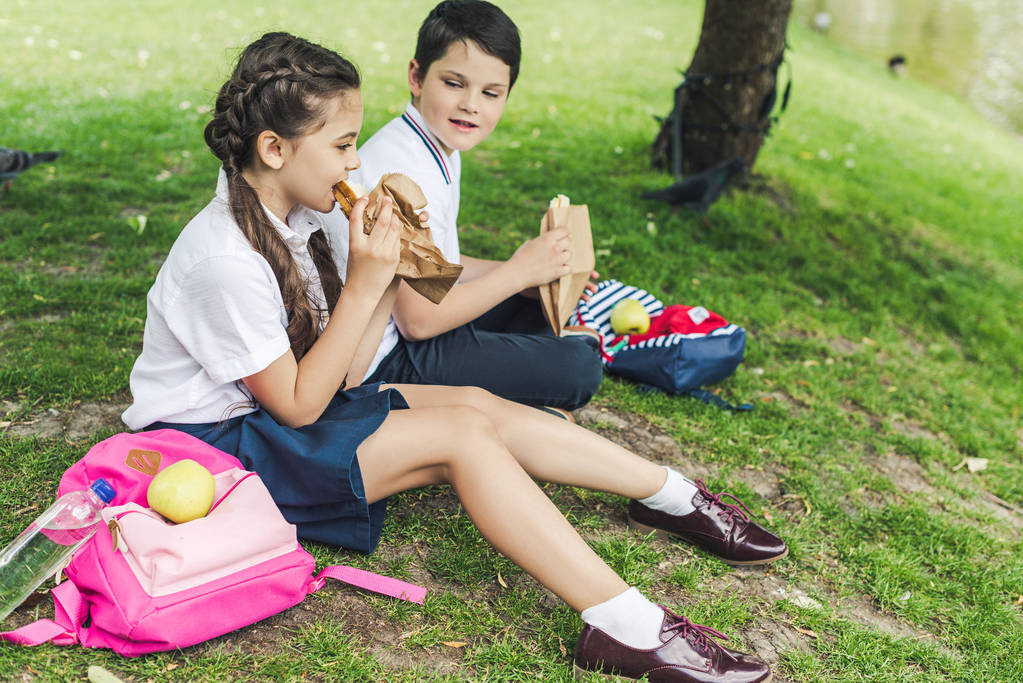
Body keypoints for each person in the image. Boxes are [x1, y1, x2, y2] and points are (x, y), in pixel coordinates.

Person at [122, 32, 784, 682]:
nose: (356, 163)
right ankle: (627, 624)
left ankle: (670, 494)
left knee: (475, 405)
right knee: (463, 437)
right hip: (215, 451)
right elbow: (299, 408)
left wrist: (389, 272)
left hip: (282, 412)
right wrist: (365, 285)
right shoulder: (223, 261)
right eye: (343, 145)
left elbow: (346, 374)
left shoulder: (304, 217)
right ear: (273, 148)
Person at [325, 0, 602, 417]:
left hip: (415, 329)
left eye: (490, 93)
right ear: (416, 77)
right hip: (383, 359)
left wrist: (531, 271)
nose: (471, 104)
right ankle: (501, 408)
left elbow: (437, 268)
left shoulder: (435, 143)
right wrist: (517, 272)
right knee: (579, 367)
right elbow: (417, 322)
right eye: (454, 84)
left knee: (534, 302)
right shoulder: (402, 170)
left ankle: (522, 383)